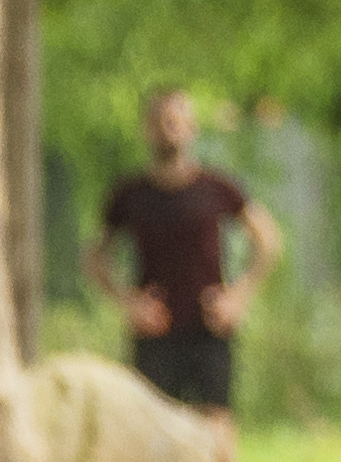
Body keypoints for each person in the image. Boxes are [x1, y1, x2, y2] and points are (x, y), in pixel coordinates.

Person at [96, 86, 283, 422]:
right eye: (161, 122)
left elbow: (267, 240)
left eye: (177, 121)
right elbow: (94, 256)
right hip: (155, 335)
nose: (170, 130)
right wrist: (128, 302)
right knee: (151, 436)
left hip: (207, 330)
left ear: (192, 127)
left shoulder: (217, 187)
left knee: (216, 436)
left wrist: (238, 298)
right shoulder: (130, 194)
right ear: (147, 129)